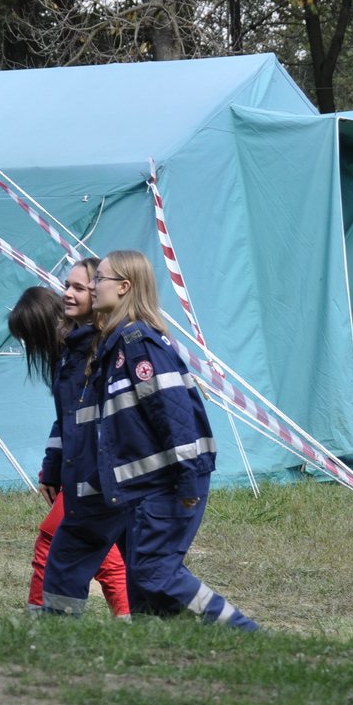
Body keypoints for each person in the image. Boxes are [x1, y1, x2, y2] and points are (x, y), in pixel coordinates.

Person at [40, 249, 258, 630]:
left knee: (156, 573)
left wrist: (189, 480)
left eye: (97, 280)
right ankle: (154, 640)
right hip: (137, 488)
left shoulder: (139, 344)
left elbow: (176, 416)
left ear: (124, 288)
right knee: (143, 580)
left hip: (168, 485)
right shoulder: (112, 346)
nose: (90, 287)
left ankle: (242, 632)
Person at [7, 266, 129, 617]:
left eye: (28, 339)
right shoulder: (70, 358)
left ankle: (42, 617)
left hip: (97, 471)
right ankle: (126, 617)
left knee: (53, 539)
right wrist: (52, 469)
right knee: (98, 549)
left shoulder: (84, 355)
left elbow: (84, 422)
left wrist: (64, 471)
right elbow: (66, 420)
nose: (30, 348)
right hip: (81, 470)